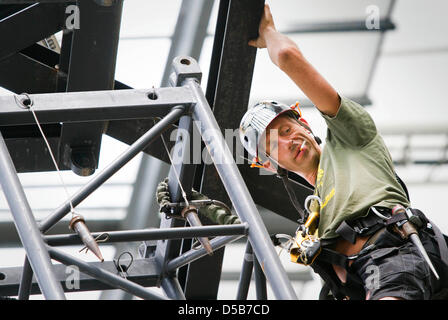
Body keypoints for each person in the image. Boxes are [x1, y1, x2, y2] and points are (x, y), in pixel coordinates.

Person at [157, 4, 448, 300]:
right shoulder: (314, 217)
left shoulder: (351, 140)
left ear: (306, 125)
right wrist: (200, 205)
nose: (287, 141)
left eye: (286, 130)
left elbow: (287, 57)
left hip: (393, 257)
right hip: (364, 281)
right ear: (268, 165)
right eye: (272, 144)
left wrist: (268, 33)